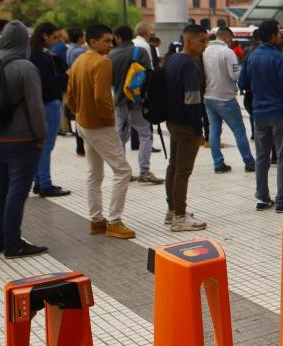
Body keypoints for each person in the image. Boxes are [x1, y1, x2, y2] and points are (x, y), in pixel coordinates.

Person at [0, 21, 49, 259]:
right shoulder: (25, 67)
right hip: (22, 139)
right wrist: (41, 135)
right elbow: (36, 107)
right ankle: (13, 243)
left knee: (0, 186)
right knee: (17, 191)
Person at [67, 23, 136, 239]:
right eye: (106, 40)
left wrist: (79, 112)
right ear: (93, 41)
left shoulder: (79, 60)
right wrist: (108, 119)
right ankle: (114, 221)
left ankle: (96, 220)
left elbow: (69, 95)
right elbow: (101, 96)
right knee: (123, 170)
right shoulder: (101, 62)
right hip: (99, 125)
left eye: (111, 40)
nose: (111, 44)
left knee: (94, 173)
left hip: (83, 122)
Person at [238, 20, 283, 212]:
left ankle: (262, 198)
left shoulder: (251, 56)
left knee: (262, 156)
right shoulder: (278, 57)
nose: (280, 36)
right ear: (272, 36)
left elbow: (241, 83)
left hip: (259, 114)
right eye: (279, 33)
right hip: (280, 113)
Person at [165, 24, 210, 231]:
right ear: (188, 40)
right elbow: (192, 99)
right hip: (186, 125)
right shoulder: (189, 65)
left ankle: (172, 210)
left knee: (173, 167)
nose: (205, 45)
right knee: (183, 171)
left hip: (173, 121)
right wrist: (198, 127)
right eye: (202, 41)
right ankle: (180, 218)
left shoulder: (173, 59)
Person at [110, 25, 160, 183]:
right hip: (137, 101)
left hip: (119, 101)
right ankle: (144, 171)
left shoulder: (111, 55)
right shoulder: (140, 52)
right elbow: (150, 76)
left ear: (118, 38)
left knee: (120, 136)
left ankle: (122, 171)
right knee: (145, 134)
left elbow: (110, 80)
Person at [203, 26, 255, 173]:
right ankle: (249, 162)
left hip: (208, 97)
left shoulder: (205, 50)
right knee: (239, 130)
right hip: (225, 97)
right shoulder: (227, 52)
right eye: (231, 39)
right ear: (226, 37)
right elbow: (235, 75)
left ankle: (218, 164)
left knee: (213, 130)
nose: (231, 42)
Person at [28, 22, 70, 198]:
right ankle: (45, 183)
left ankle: (39, 182)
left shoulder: (35, 55)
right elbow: (49, 82)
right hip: (49, 102)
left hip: (40, 103)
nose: (55, 41)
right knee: (46, 146)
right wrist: (66, 76)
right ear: (44, 35)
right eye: (54, 37)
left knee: (41, 145)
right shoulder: (41, 57)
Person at [65, 27, 87, 156]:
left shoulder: (69, 49)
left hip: (72, 82)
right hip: (80, 83)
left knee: (78, 116)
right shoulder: (79, 51)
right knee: (81, 115)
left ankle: (79, 146)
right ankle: (81, 146)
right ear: (80, 38)